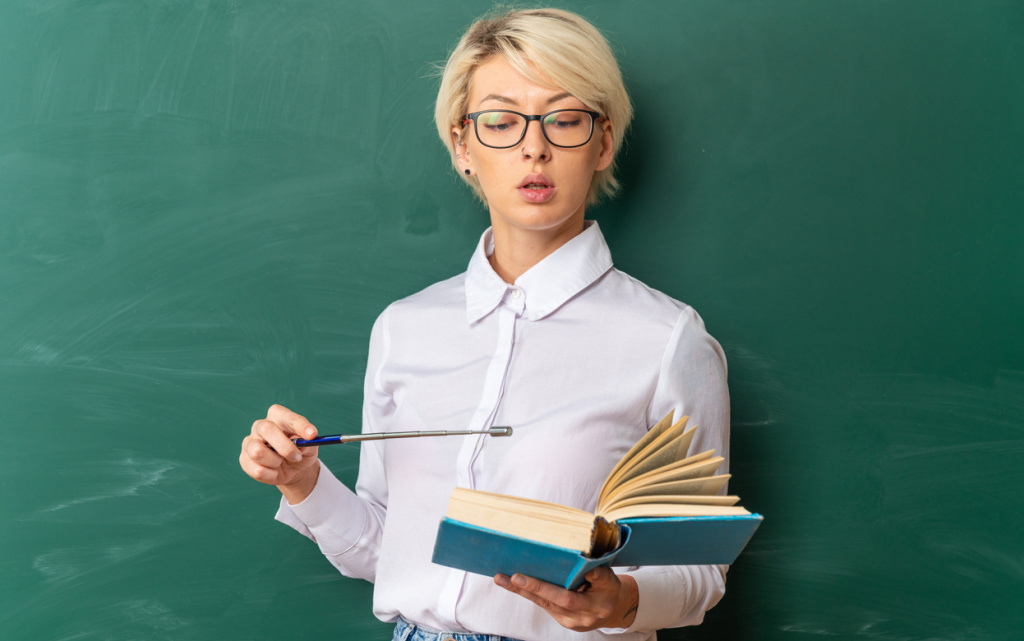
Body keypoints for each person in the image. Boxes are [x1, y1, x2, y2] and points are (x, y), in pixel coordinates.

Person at [239, 8, 730, 641]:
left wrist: (624, 601)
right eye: (500, 121)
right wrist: (305, 484)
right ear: (464, 145)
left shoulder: (668, 341)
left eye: (565, 119)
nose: (534, 146)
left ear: (603, 142)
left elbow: (700, 568)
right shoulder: (404, 328)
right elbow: (385, 549)